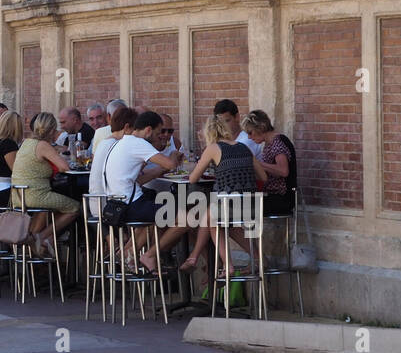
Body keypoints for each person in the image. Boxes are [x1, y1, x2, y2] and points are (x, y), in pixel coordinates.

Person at [147, 113, 268, 274]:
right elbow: (263, 177)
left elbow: (193, 178)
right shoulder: (244, 147)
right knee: (216, 218)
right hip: (251, 206)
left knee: (209, 217)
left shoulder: (213, 148)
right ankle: (257, 258)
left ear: (208, 133)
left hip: (228, 204)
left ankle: (224, 264)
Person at [101, 111, 183, 249]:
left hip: (115, 205)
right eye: (158, 134)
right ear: (148, 130)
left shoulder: (120, 142)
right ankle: (150, 256)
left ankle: (127, 255)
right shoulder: (138, 143)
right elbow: (171, 164)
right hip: (131, 206)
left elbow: (138, 181)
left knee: (156, 212)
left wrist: (161, 170)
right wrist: (175, 154)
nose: (159, 137)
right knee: (185, 217)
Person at [10, 112, 81, 258]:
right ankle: (42, 237)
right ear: (53, 129)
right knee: (75, 207)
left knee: (52, 208)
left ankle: (40, 239)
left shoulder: (27, 142)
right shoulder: (43, 145)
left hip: (19, 195)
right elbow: (64, 167)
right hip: (36, 195)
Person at [242, 110, 297, 215]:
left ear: (261, 128)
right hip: (271, 196)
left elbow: (283, 171)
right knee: (238, 203)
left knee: (238, 206)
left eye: (250, 132)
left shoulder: (277, 142)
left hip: (281, 198)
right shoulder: (268, 144)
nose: (249, 137)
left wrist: (257, 163)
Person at [87, 104, 132, 215]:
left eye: (99, 117)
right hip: (109, 205)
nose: (96, 122)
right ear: (127, 127)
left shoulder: (105, 141)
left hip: (96, 200)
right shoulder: (118, 144)